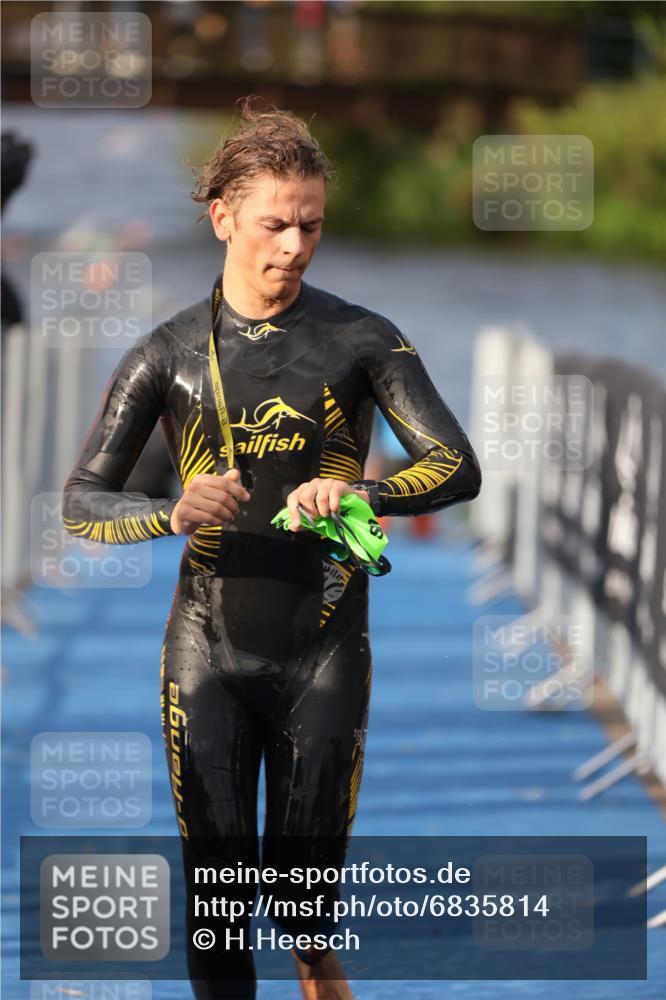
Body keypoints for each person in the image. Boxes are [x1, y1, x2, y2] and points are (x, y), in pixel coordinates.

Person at [61, 100, 482, 1000]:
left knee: (302, 912)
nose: (293, 245)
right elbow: (80, 503)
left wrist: (360, 492)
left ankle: (316, 960)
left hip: (322, 645)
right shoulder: (165, 352)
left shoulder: (363, 339)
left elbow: (456, 465)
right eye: (273, 224)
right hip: (205, 646)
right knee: (217, 913)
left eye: (311, 224)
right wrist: (170, 511)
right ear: (222, 218)